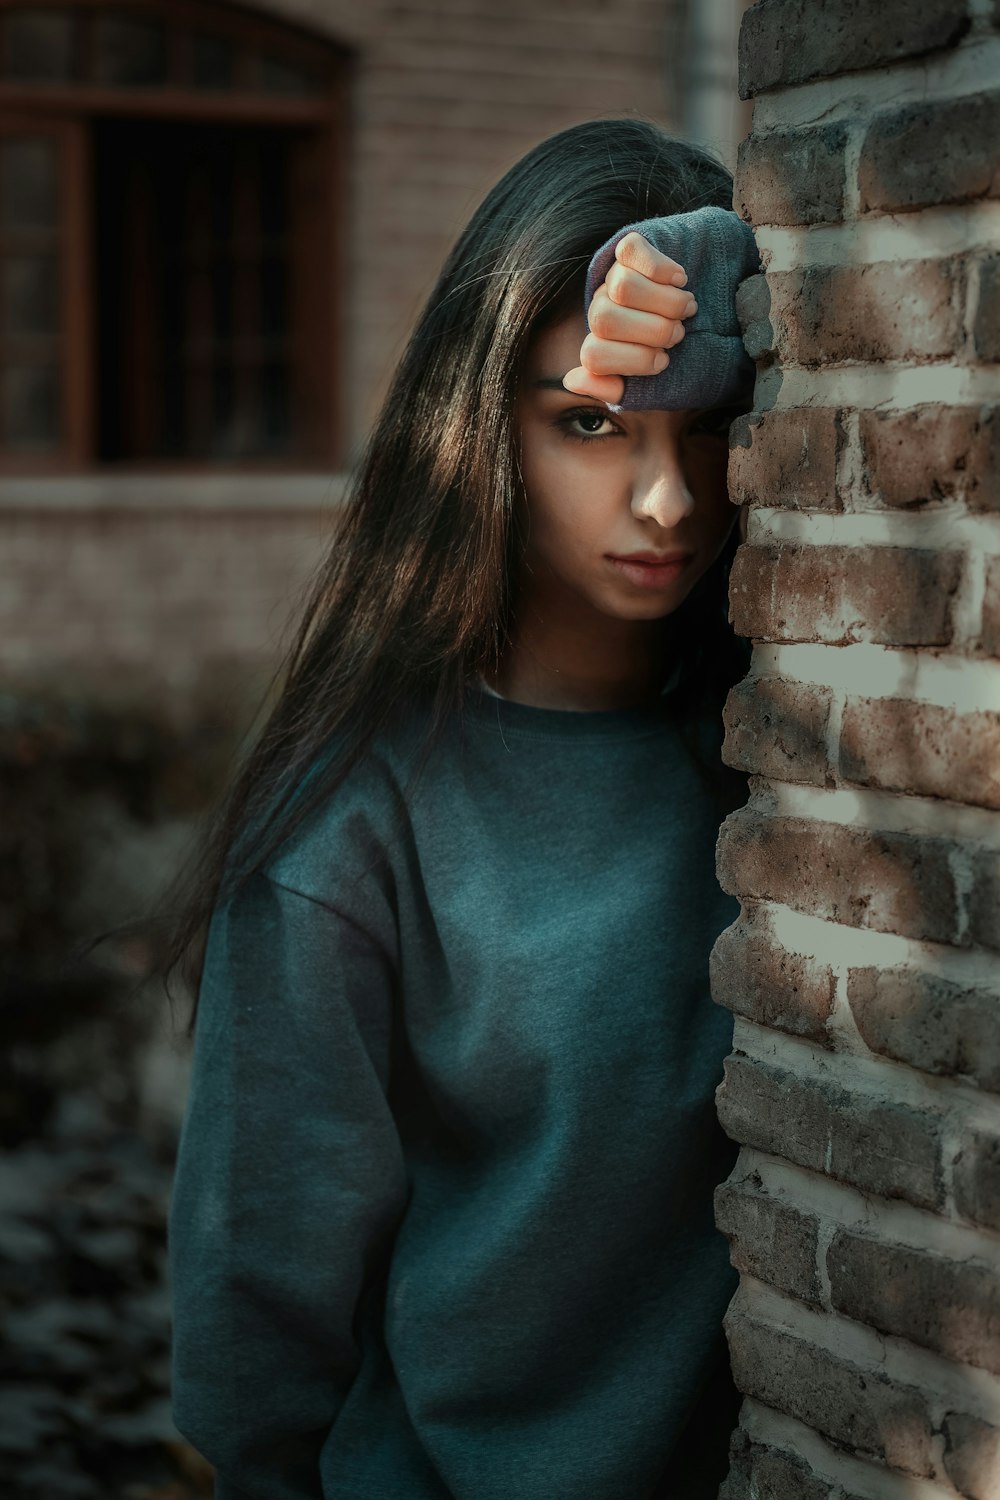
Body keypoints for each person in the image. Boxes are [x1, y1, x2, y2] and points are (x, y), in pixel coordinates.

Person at [166, 116, 760, 1500]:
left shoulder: (802, 755)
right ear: (478, 419)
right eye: (590, 422)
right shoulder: (352, 824)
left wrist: (758, 274)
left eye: (715, 427)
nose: (669, 495)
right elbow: (256, 1334)